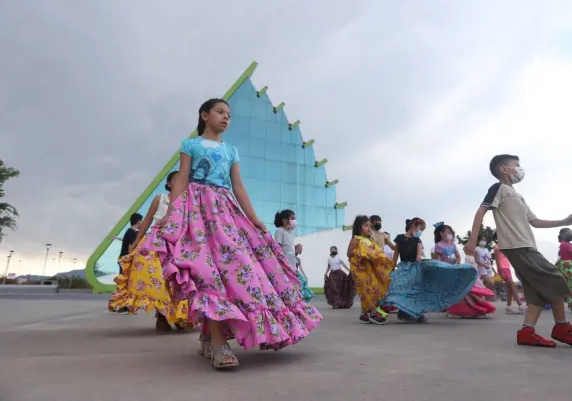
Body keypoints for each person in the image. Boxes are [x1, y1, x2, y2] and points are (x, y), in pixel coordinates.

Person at [149, 98, 322, 369]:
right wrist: (173, 214)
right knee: (207, 274)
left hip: (225, 213)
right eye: (220, 112)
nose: (226, 117)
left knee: (234, 273)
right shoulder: (190, 145)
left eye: (229, 114)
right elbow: (182, 179)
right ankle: (218, 344)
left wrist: (254, 219)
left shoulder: (231, 149)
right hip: (196, 212)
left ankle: (209, 336)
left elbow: (238, 186)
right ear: (204, 115)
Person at [464, 154, 572, 348]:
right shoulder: (498, 188)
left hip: (527, 246)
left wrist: (564, 222)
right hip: (518, 247)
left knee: (536, 293)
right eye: (516, 165)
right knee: (555, 279)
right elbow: (481, 211)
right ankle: (562, 327)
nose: (519, 169)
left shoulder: (518, 196)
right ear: (503, 169)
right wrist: (472, 240)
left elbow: (535, 222)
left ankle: (527, 332)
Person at [108, 172, 191, 331]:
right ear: (168, 183)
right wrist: (137, 239)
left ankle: (180, 317)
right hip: (157, 242)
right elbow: (147, 219)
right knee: (158, 279)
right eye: (176, 180)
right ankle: (161, 316)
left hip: (179, 243)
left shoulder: (188, 201)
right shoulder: (160, 199)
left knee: (179, 281)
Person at [381, 218, 476, 323]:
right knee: (398, 288)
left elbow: (418, 256)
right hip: (404, 268)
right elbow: (396, 254)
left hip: (414, 269)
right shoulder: (399, 238)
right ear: (414, 225)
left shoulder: (418, 240)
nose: (421, 232)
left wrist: (422, 260)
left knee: (415, 291)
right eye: (420, 229)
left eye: (422, 230)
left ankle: (415, 314)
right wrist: (391, 268)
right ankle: (403, 312)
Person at [347, 215, 392, 324]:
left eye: (370, 226)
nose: (369, 228)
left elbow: (376, 252)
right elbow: (349, 254)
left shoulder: (370, 240)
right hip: (361, 271)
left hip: (370, 270)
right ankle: (373, 313)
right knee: (369, 291)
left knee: (371, 289)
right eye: (366, 225)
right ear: (359, 227)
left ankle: (363, 314)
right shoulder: (356, 239)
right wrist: (361, 253)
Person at [446, 252, 496, 319]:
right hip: (469, 278)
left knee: (474, 293)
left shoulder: (476, 255)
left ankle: (467, 310)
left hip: (473, 277)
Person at [492, 231, 526, 315]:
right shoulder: (497, 247)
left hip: (507, 268)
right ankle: (521, 305)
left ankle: (509, 307)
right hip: (502, 268)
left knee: (510, 287)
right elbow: (497, 261)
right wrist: (500, 271)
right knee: (512, 285)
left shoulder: (505, 247)